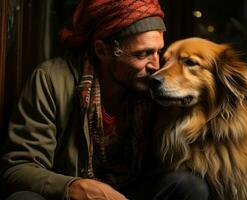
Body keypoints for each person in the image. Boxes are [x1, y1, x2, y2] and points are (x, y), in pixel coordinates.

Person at [0, 0, 210, 200]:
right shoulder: (51, 80)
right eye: (142, 54)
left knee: (189, 185)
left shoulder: (155, 89)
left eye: (158, 52)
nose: (156, 66)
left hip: (130, 193)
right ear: (103, 51)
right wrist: (74, 187)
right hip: (74, 195)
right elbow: (17, 169)